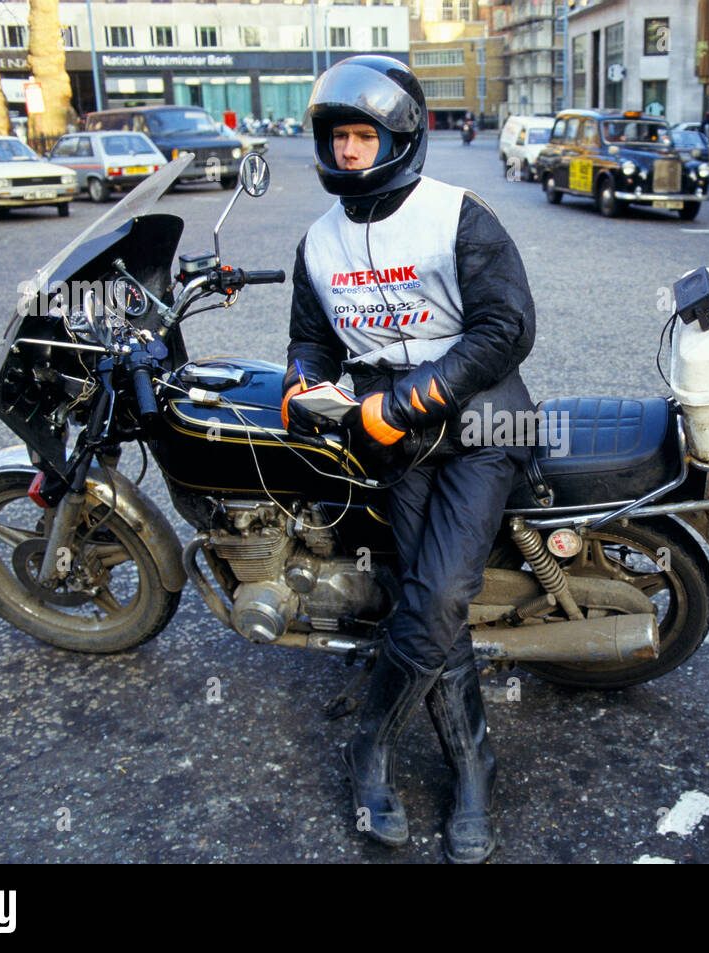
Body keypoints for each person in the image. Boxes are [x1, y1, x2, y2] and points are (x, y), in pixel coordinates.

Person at [281, 55, 536, 864]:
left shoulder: (460, 215)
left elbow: (506, 330)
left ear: (400, 135)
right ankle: (471, 766)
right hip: (385, 434)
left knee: (434, 596)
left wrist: (405, 402)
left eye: (363, 135)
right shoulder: (316, 243)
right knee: (432, 605)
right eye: (338, 137)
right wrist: (303, 384)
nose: (349, 152)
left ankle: (370, 751)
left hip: (478, 425)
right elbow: (310, 339)